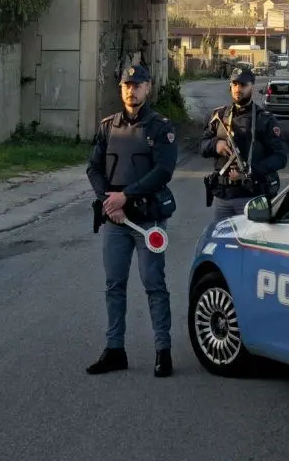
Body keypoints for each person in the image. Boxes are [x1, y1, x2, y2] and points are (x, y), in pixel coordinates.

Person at [84, 63, 180, 378]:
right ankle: (115, 350)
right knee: (114, 285)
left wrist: (125, 196)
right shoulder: (107, 126)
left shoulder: (160, 127)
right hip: (115, 221)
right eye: (127, 84)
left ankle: (162, 352)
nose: (131, 89)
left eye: (137, 84)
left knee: (154, 284)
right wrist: (108, 200)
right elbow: (94, 169)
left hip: (146, 221)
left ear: (148, 87)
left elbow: (163, 171)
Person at [200, 67, 289, 222]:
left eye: (242, 85)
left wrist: (250, 171)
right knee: (223, 243)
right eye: (234, 84)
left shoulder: (265, 120)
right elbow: (202, 146)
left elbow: (280, 157)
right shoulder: (219, 116)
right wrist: (216, 145)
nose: (238, 89)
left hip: (251, 198)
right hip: (223, 197)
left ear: (251, 87)